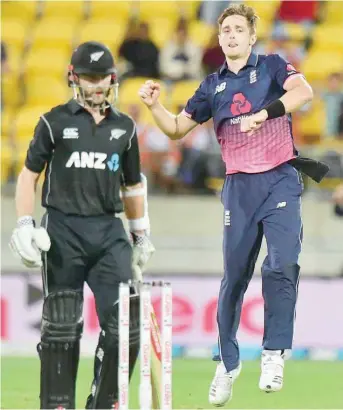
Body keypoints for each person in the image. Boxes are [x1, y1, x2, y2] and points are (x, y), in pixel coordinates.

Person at [138, 4, 328, 407]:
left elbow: (304, 93)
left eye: (239, 29)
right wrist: (155, 106)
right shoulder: (211, 86)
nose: (231, 35)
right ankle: (226, 363)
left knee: (282, 263)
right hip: (239, 187)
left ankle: (274, 353)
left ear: (251, 36)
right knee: (234, 278)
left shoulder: (274, 65)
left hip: (279, 180)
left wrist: (264, 114)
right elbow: (175, 129)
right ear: (220, 36)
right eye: (225, 29)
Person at [9, 41, 155, 409]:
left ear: (112, 78)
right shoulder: (54, 121)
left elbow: (132, 185)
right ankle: (57, 405)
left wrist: (141, 235)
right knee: (61, 327)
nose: (95, 86)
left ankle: (103, 403)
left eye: (101, 78)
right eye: (88, 78)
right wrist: (25, 223)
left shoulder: (125, 128)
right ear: (74, 78)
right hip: (62, 232)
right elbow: (29, 176)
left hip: (108, 232)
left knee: (126, 325)